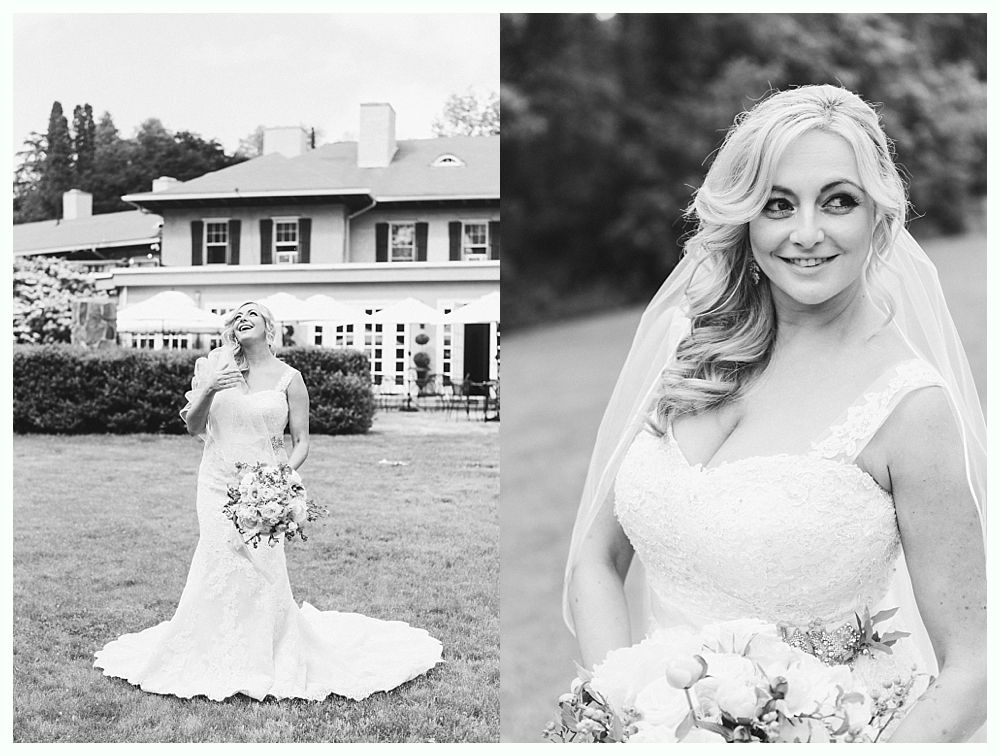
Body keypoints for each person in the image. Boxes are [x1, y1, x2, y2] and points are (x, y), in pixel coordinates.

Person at [564, 85, 985, 742]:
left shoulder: (911, 407)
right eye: (778, 204)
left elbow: (971, 669)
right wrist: (625, 714)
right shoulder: (692, 344)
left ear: (879, 215)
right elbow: (596, 557)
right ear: (747, 218)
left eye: (838, 201)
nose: (806, 233)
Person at [95, 301, 442, 701]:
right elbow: (192, 426)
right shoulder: (217, 365)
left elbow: (302, 442)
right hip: (216, 481)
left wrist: (279, 479)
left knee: (263, 569)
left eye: (252, 315)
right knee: (218, 558)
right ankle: (213, 649)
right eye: (237, 316)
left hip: (264, 488)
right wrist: (211, 386)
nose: (242, 320)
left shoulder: (290, 378)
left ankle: (265, 654)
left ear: (269, 327)